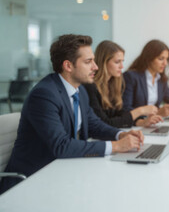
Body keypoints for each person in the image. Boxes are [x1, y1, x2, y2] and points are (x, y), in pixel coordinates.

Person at [0, 34, 144, 194]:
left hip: (62, 172)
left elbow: (94, 124)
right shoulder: (44, 94)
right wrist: (115, 146)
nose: (96, 67)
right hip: (31, 182)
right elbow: (61, 146)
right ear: (68, 66)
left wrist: (119, 135)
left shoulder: (79, 90)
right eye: (88, 62)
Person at [84, 40, 162, 128]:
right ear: (104, 62)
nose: (122, 67)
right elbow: (105, 122)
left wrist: (141, 121)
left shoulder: (115, 84)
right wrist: (140, 111)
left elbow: (120, 114)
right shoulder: (90, 87)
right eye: (117, 62)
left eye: (122, 62)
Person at [123, 40, 169, 117]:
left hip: (153, 123)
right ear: (149, 58)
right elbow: (126, 109)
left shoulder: (161, 79)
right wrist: (158, 112)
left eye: (167, 59)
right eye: (161, 59)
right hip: (136, 124)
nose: (165, 63)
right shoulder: (131, 77)